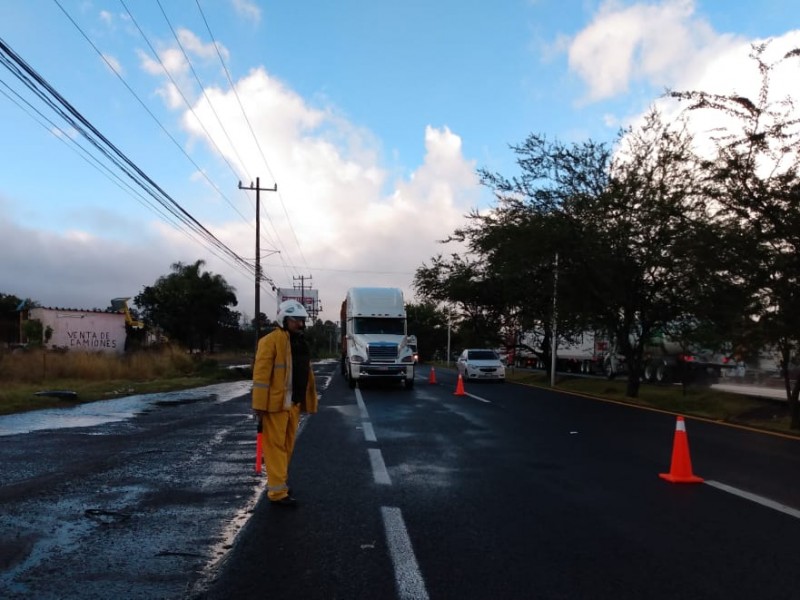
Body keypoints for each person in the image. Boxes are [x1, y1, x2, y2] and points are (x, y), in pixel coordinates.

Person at [252, 299, 318, 507]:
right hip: (275, 405)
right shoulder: (270, 341)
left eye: (302, 320)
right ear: (284, 319)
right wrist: (259, 406)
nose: (300, 324)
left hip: (293, 404)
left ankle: (280, 483)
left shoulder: (299, 342)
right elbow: (261, 377)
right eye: (296, 320)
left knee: (287, 446)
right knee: (275, 447)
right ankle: (277, 493)